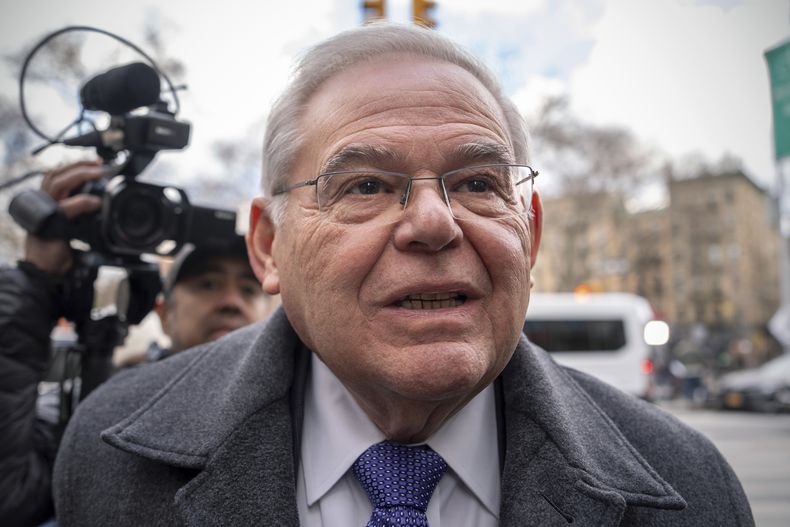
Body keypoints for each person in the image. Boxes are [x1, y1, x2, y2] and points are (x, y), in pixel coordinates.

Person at [52, 23, 753, 526]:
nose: (433, 223)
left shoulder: (690, 486)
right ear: (268, 247)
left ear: (529, 231)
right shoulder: (109, 454)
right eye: (364, 186)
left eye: (479, 181)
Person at [0, 161, 271, 527]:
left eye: (249, 289)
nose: (230, 301)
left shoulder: (295, 408)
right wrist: (36, 282)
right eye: (207, 284)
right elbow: (10, 494)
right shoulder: (96, 405)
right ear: (163, 312)